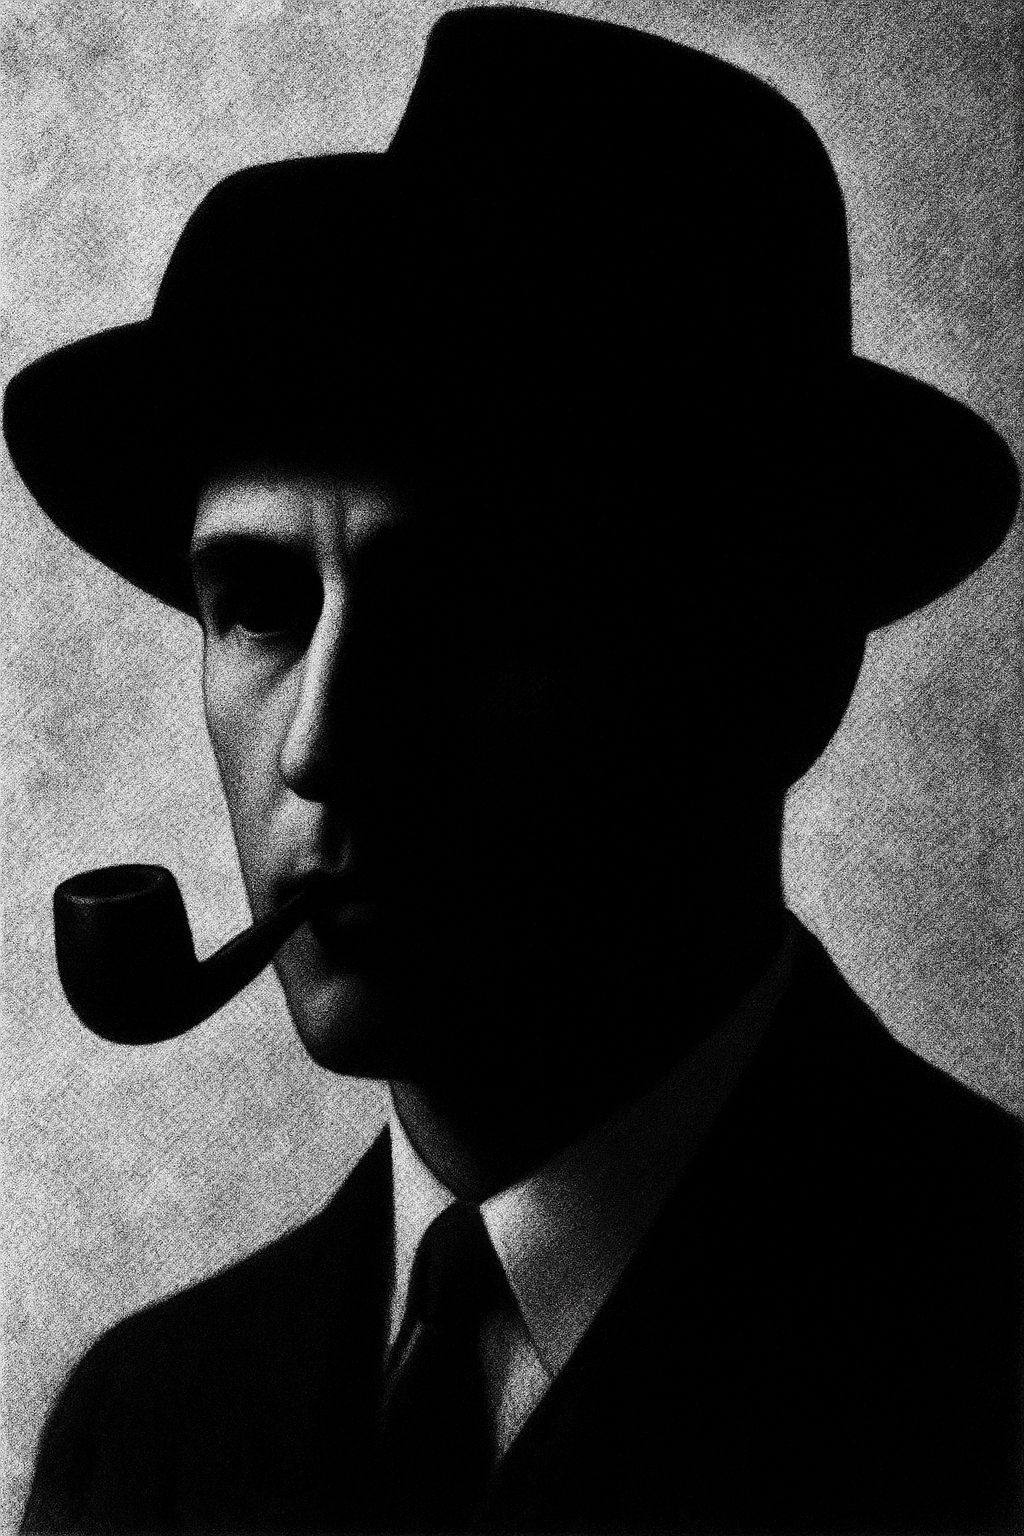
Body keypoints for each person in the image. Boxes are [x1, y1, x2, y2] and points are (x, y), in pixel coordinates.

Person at [5, 8, 1021, 1533]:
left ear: (778, 667)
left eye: (466, 604)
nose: (322, 743)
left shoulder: (990, 1353)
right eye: (261, 606)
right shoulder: (143, 1433)